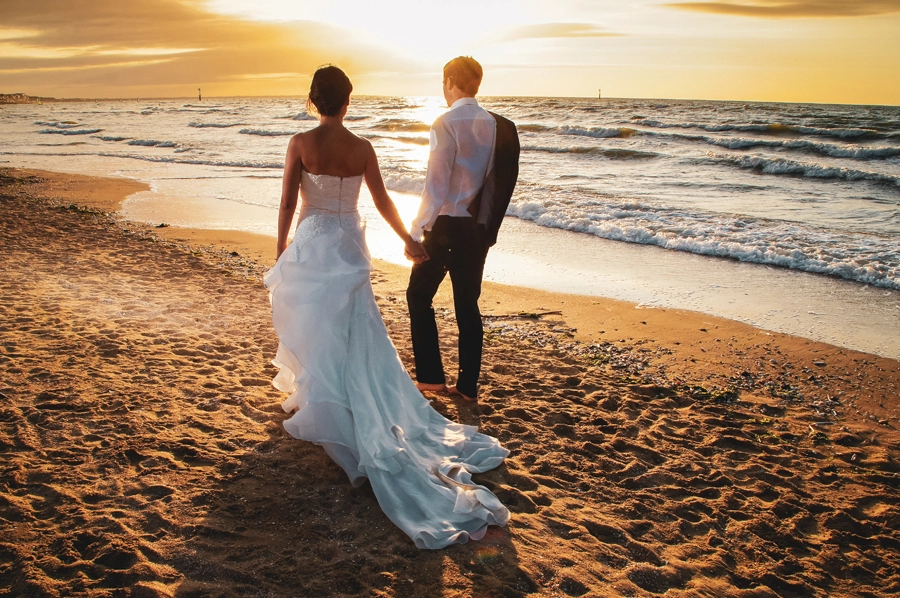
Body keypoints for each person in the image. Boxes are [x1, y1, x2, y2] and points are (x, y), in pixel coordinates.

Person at [265, 65, 509, 549]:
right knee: (354, 328)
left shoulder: (299, 142)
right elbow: (380, 203)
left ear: (314, 100)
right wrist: (407, 240)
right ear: (347, 102)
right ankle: (339, 400)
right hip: (349, 243)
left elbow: (288, 202)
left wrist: (281, 249)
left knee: (316, 324)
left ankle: (322, 399)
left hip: (313, 241)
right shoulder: (363, 149)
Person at [406, 56, 498, 403]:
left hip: (444, 225)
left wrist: (416, 231)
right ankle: (467, 387)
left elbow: (436, 184)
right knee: (467, 305)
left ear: (449, 81)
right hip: (474, 228)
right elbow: (494, 182)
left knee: (418, 296)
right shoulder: (494, 124)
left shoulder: (445, 122)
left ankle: (430, 377)